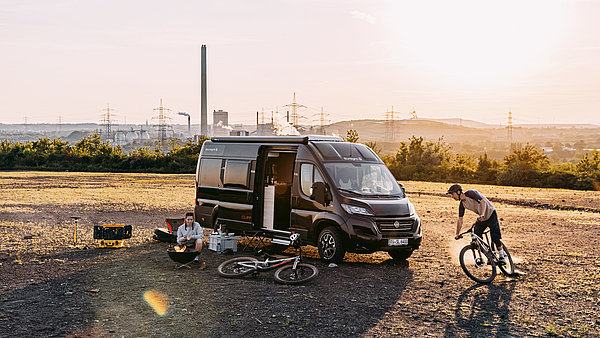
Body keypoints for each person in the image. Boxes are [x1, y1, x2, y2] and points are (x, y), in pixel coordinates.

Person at [446, 184, 508, 265]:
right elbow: (460, 219)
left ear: (458, 192)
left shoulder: (471, 193)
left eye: (452, 194)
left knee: (495, 237)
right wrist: (457, 233)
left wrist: (482, 214)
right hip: (481, 218)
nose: (452, 196)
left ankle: (502, 255)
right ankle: (489, 255)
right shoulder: (462, 204)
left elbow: (483, 202)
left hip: (490, 214)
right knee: (476, 237)